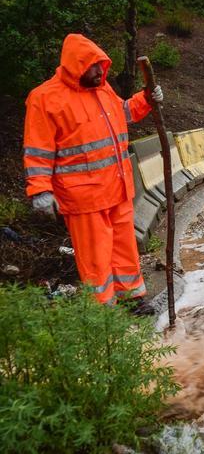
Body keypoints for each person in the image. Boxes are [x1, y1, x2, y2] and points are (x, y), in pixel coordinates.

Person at [23, 33, 163, 311]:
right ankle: (103, 315)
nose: (100, 71)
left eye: (101, 64)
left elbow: (122, 113)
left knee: (124, 249)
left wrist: (146, 98)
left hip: (118, 188)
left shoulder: (101, 89)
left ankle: (132, 299)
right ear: (76, 66)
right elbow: (38, 149)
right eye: (93, 66)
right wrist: (40, 189)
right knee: (95, 258)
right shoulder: (45, 99)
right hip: (84, 198)